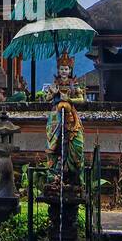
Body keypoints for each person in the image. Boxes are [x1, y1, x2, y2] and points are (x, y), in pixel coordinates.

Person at [42, 52, 86, 181]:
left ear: (70, 70)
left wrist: (69, 99)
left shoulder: (74, 84)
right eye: (61, 69)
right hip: (56, 118)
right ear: (58, 70)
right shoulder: (55, 84)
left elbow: (82, 99)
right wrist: (53, 93)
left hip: (71, 118)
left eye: (66, 69)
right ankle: (54, 175)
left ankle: (75, 176)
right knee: (54, 146)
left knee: (77, 146)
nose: (64, 71)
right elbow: (46, 99)